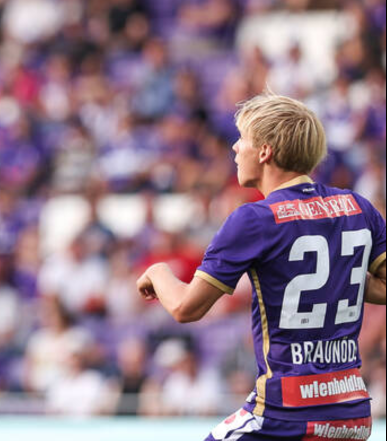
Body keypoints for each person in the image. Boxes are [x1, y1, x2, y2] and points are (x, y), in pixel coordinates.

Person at [137, 91, 385, 441]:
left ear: (265, 151)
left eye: (243, 140)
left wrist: (158, 271)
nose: (236, 148)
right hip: (351, 415)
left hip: (284, 414)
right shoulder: (358, 207)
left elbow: (184, 308)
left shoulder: (254, 219)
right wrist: (344, 277)